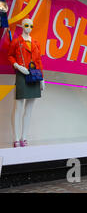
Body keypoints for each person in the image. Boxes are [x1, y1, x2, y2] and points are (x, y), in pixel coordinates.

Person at [7, 19, 45, 147]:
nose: (29, 28)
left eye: (31, 26)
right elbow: (10, 56)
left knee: (29, 109)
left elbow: (39, 61)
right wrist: (17, 66)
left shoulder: (36, 43)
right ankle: (16, 138)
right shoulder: (17, 41)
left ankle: (24, 137)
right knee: (18, 107)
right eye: (27, 25)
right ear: (22, 26)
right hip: (22, 74)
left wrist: (42, 79)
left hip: (34, 76)